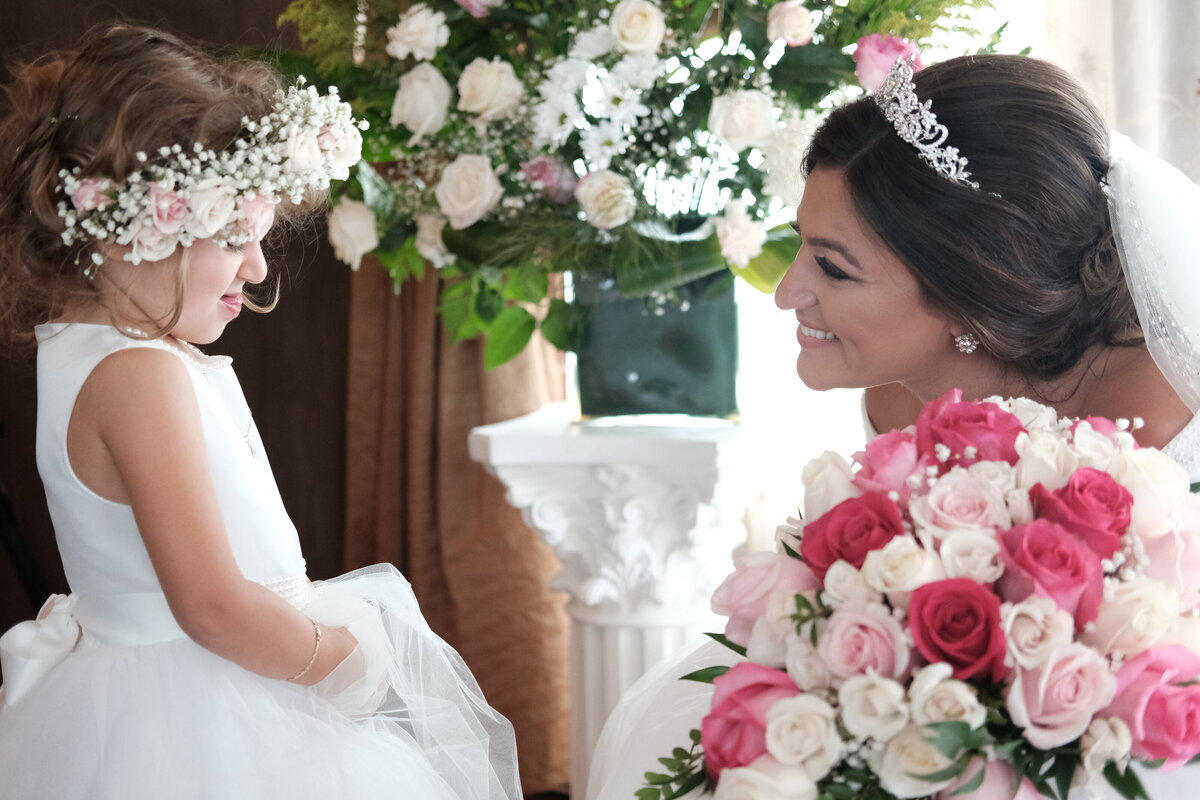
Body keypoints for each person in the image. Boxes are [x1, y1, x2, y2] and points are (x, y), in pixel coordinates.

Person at [587, 53, 1200, 799]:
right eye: (800, 247)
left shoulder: (1169, 413)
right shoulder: (896, 398)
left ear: (970, 293)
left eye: (833, 269)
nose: (787, 294)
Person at [0, 23, 520, 800]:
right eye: (235, 233)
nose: (259, 264)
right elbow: (212, 607)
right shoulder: (138, 372)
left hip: (168, 697)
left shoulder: (95, 354)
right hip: (205, 715)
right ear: (135, 229)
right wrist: (348, 670)